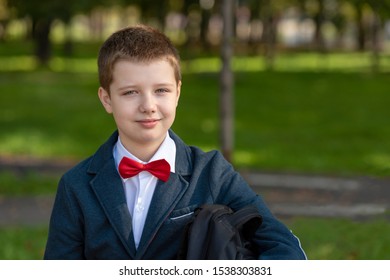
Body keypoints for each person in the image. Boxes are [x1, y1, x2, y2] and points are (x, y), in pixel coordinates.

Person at [44, 24, 306, 260]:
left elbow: (285, 248)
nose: (148, 106)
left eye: (161, 90)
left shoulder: (212, 172)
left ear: (177, 92)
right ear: (106, 99)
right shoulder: (75, 186)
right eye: (131, 92)